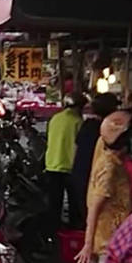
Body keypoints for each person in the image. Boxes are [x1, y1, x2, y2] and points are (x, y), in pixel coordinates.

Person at [75, 110, 132, 263]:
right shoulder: (109, 167)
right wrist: (88, 245)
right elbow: (94, 206)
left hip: (109, 240)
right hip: (106, 243)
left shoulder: (105, 150)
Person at [69, 92, 119, 225]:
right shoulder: (105, 130)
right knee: (95, 217)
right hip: (92, 176)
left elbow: (76, 148)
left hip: (80, 173)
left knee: (86, 215)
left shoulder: (87, 125)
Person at [43, 94, 86, 232]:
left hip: (52, 163)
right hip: (69, 165)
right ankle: (73, 230)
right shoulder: (78, 121)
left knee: (54, 203)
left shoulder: (55, 118)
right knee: (74, 202)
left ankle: (53, 231)